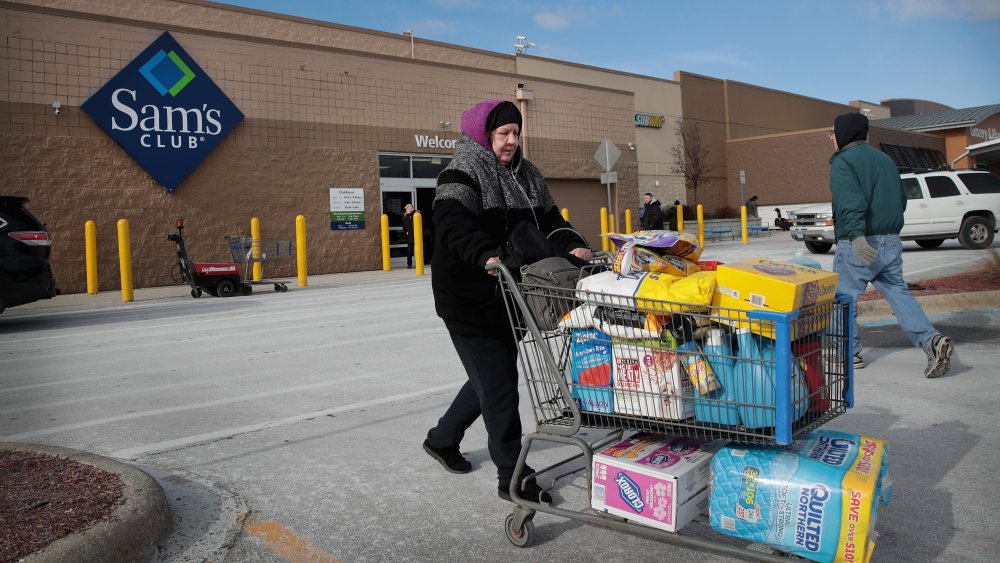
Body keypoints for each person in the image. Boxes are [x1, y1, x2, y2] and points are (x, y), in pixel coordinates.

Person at [424, 99, 592, 503]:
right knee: (499, 385)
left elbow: (551, 220)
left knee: (490, 378)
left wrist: (574, 245)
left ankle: (441, 439)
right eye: (504, 133)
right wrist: (483, 252)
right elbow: (450, 220)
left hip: (512, 295)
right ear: (485, 134)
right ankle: (512, 476)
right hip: (468, 296)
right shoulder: (462, 170)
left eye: (516, 133)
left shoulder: (527, 175)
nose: (512, 141)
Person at [828, 112, 954, 378]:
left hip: (859, 242)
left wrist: (857, 236)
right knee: (898, 294)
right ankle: (932, 341)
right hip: (891, 241)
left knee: (843, 297)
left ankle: (849, 353)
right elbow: (901, 199)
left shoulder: (843, 161)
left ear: (844, 133)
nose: (830, 138)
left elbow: (850, 202)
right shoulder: (885, 159)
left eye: (832, 132)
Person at [400, 203, 417, 268]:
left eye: (407, 209)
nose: (406, 210)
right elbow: (403, 226)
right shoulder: (406, 217)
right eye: (406, 209)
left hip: (416, 236)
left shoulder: (416, 214)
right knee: (409, 251)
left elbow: (423, 224)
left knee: (417, 250)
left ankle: (418, 264)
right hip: (410, 237)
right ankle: (409, 264)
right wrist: (406, 232)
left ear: (411, 209)